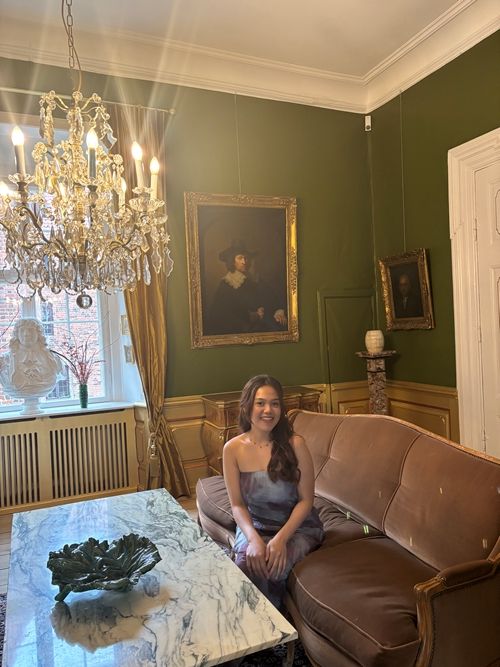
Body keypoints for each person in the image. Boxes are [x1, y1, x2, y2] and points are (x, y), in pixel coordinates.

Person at [223, 375, 324, 609]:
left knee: (272, 567)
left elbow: (306, 501)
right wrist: (253, 539)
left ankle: (277, 626)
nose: (268, 410)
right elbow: (237, 505)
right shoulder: (232, 449)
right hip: (255, 525)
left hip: (297, 528)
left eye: (275, 403)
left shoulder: (296, 444)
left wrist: (280, 540)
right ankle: (249, 628)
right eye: (260, 403)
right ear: (247, 406)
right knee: (244, 566)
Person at [206, 240, 287, 335]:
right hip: (239, 331)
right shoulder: (226, 284)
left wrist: (278, 310)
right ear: (232, 261)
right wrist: (251, 316)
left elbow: (271, 298)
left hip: (262, 327)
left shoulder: (254, 280)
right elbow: (220, 315)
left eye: (246, 258)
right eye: (240, 258)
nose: (244, 261)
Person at [0, 318, 63, 398]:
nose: (26, 334)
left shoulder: (53, 359)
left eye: (31, 330)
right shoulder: (5, 360)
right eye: (22, 330)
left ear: (39, 334)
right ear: (17, 334)